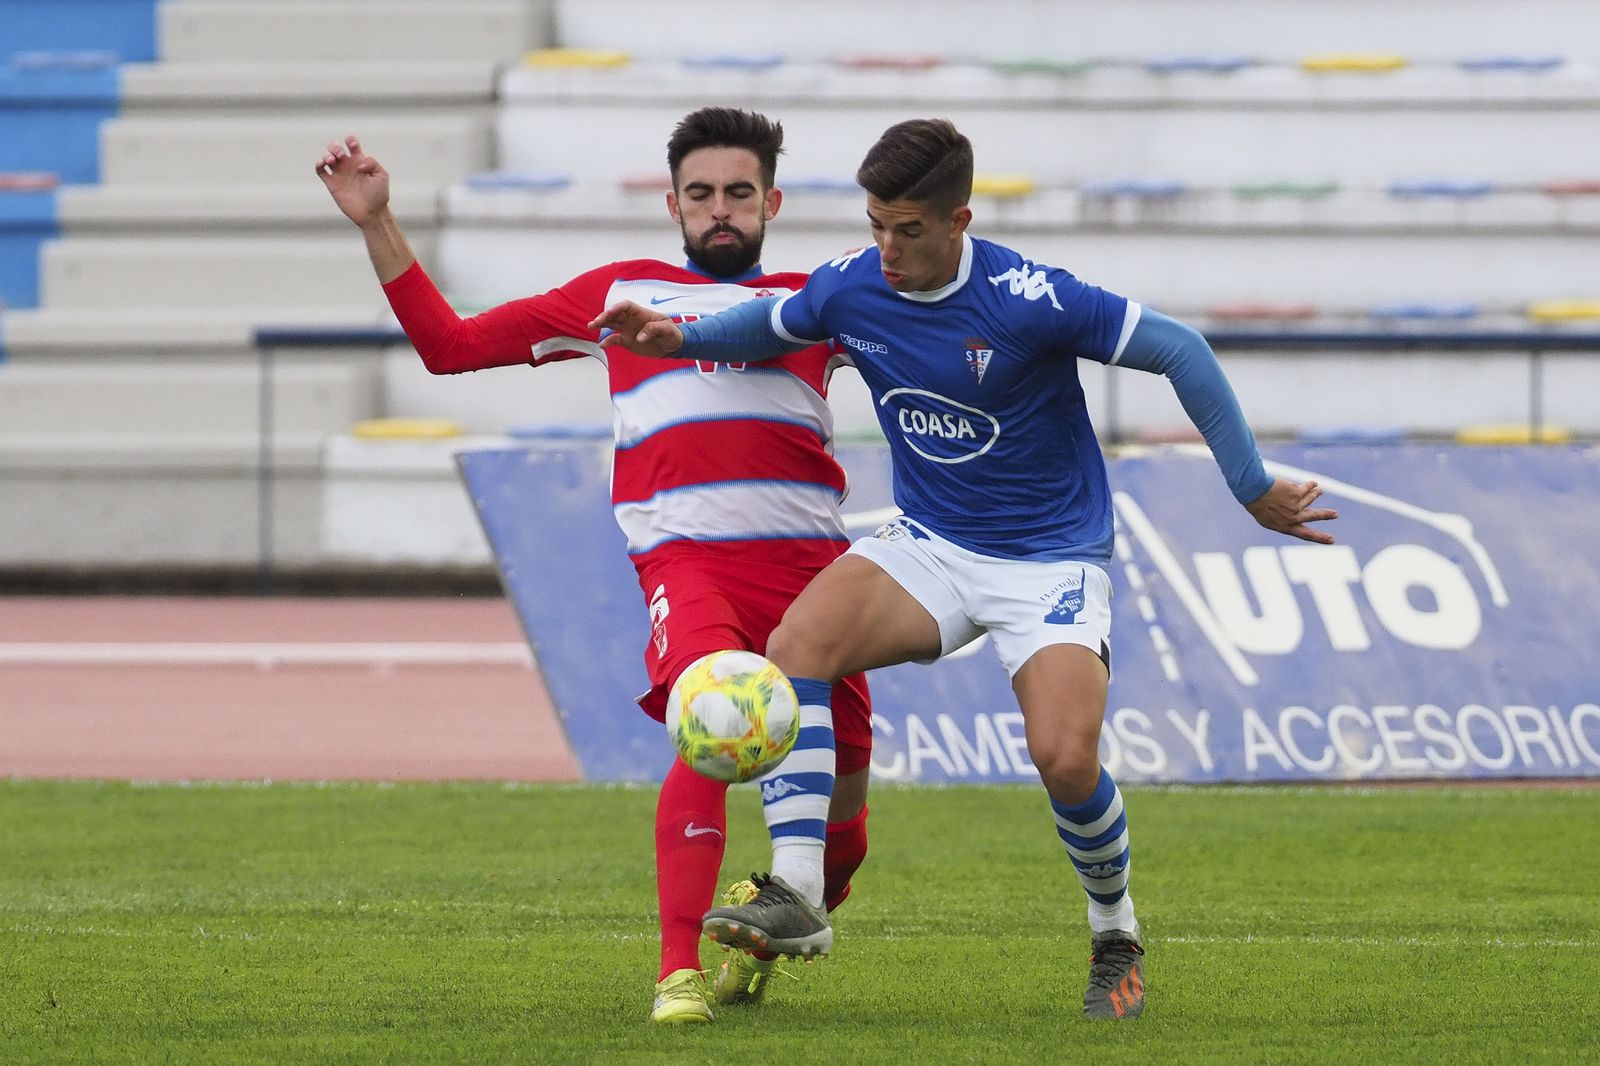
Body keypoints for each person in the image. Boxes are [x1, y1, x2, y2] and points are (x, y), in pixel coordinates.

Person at [593, 117, 1339, 1021]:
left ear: (959, 221)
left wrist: (1251, 484)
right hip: (933, 543)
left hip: (1049, 558)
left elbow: (1179, 349)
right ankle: (797, 895)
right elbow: (770, 324)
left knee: (1065, 760)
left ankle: (1116, 935)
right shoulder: (854, 285)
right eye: (875, 225)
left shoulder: (1030, 297)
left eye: (908, 230)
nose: (887, 249)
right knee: (799, 642)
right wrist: (674, 335)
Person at [314, 108, 875, 1025]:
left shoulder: (814, 300)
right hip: (689, 566)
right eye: (702, 195)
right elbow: (447, 347)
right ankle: (676, 972)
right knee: (708, 721)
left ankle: (769, 924)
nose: (720, 210)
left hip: (817, 580)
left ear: (771, 199)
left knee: (842, 838)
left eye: (739, 193)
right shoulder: (619, 292)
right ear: (673, 204)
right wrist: (377, 221)